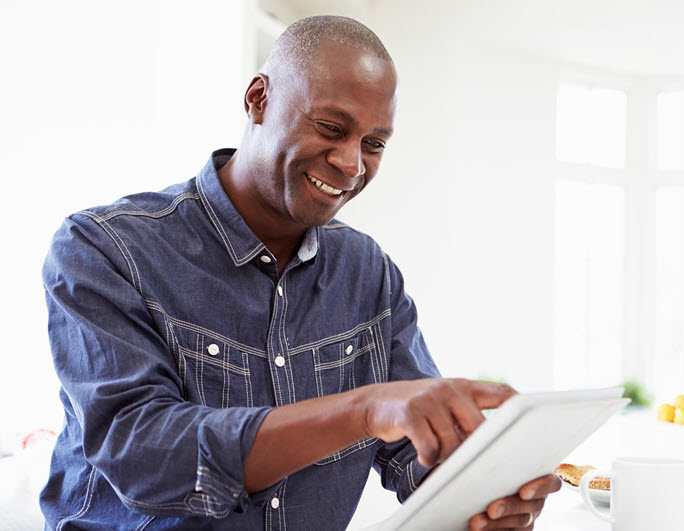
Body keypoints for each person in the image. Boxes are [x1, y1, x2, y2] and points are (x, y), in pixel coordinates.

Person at [40, 15, 559, 530]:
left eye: (374, 143)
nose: (353, 163)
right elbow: (146, 456)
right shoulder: (104, 248)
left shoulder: (367, 273)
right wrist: (364, 409)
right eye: (332, 128)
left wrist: (485, 489)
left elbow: (414, 450)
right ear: (258, 100)